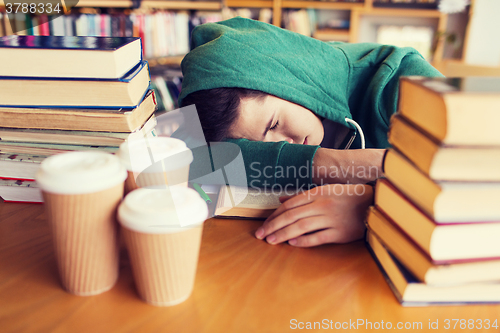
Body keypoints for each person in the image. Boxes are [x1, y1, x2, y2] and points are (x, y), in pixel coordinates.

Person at [177, 17, 443, 247]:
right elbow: (194, 157)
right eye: (260, 145)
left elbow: (476, 180)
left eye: (273, 125)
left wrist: (375, 207)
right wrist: (331, 164)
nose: (286, 144)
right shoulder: (282, 109)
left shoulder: (406, 83)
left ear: (287, 79)